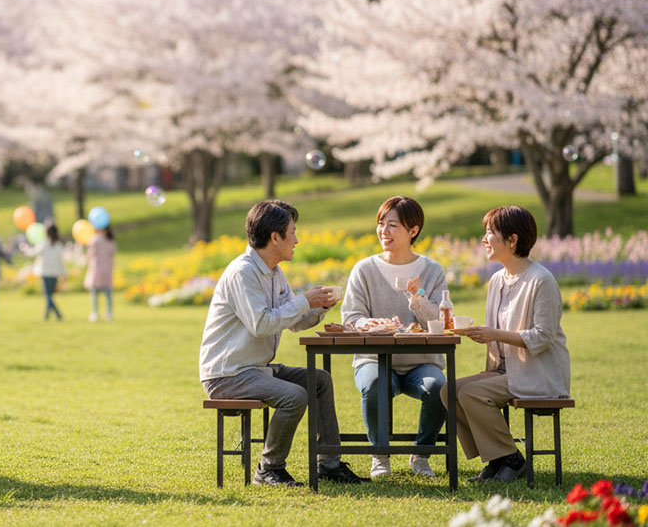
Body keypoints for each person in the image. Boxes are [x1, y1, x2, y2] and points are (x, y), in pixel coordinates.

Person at [198, 200, 367, 487]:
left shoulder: (274, 272)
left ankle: (329, 464)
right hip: (228, 374)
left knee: (320, 380)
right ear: (275, 237)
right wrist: (304, 301)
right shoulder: (243, 273)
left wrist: (320, 307)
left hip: (256, 369)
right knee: (294, 396)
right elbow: (262, 324)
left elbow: (294, 322)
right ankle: (269, 469)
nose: (297, 240)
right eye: (293, 232)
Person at [443, 206, 570, 483]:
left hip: (537, 372)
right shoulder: (497, 280)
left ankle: (510, 459)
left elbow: (543, 336)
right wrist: (481, 334)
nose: (484, 239)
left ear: (512, 241)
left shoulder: (541, 280)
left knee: (471, 394)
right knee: (448, 390)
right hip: (505, 371)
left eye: (490, 233)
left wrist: (495, 334)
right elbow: (497, 334)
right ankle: (498, 459)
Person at [341, 196, 448, 478]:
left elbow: (439, 320)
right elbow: (351, 317)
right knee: (375, 382)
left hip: (420, 361)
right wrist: (370, 323)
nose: (383, 232)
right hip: (373, 358)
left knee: (440, 387)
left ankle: (422, 456)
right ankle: (380, 456)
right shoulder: (364, 270)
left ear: (413, 231)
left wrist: (417, 298)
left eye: (393, 225)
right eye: (380, 224)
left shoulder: (432, 270)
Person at [21, 223, 67, 321]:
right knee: (49, 295)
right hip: (55, 273)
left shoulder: (44, 244)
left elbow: (31, 253)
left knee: (48, 296)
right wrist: (64, 274)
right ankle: (46, 316)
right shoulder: (58, 246)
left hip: (46, 273)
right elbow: (62, 262)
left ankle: (58, 314)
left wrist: (24, 248)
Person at [85, 226, 116, 322]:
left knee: (94, 293)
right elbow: (112, 255)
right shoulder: (111, 241)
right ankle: (109, 313)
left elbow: (90, 254)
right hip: (107, 268)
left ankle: (95, 313)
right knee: (108, 294)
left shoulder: (95, 240)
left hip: (96, 268)